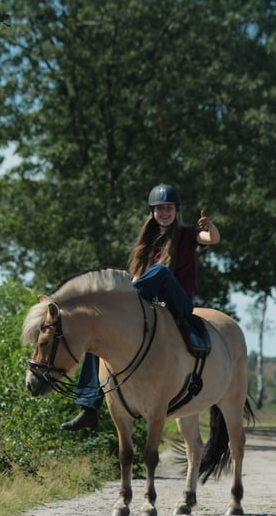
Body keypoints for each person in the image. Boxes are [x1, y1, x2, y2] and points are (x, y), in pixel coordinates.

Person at [60, 183, 220, 431]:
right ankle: (88, 405)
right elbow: (136, 278)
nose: (164, 213)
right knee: (98, 338)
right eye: (159, 209)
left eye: (168, 208)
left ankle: (125, 299)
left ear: (177, 210)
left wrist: (210, 228)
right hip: (151, 306)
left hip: (178, 303)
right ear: (152, 212)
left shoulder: (189, 235)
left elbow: (212, 239)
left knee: (161, 272)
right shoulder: (146, 244)